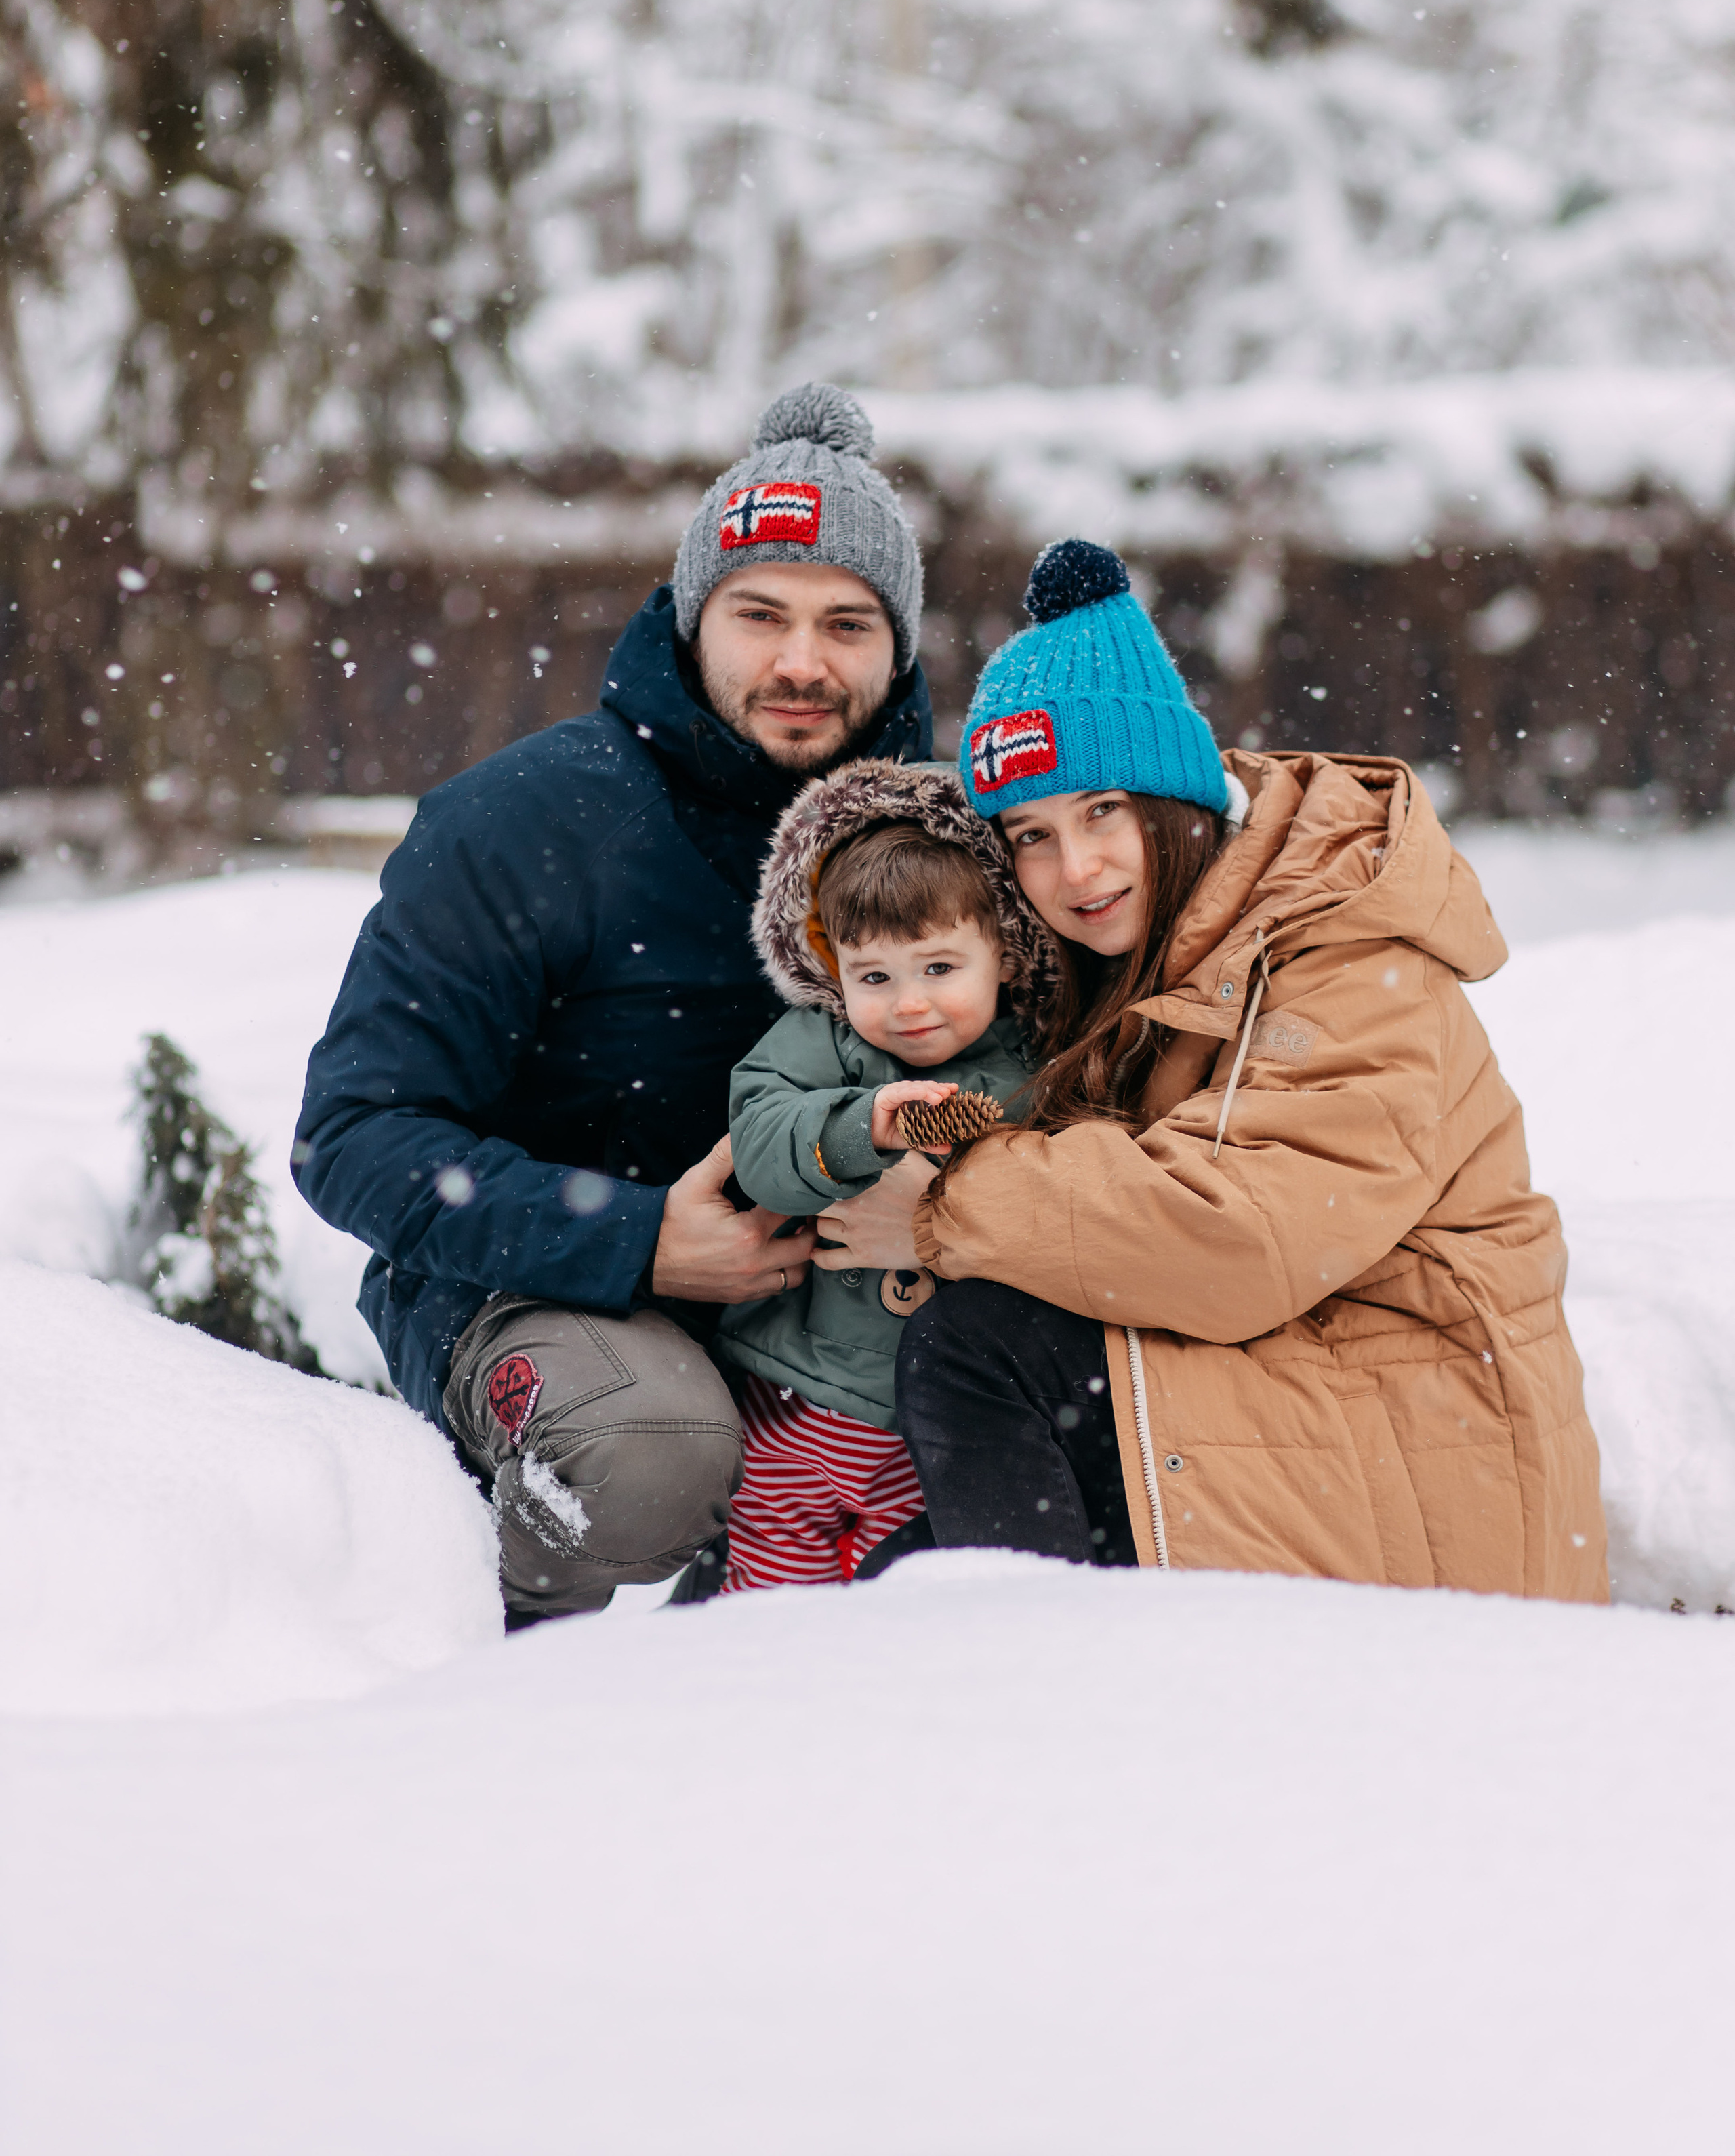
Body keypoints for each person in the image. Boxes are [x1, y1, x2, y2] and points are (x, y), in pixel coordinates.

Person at [817, 537, 1609, 1602]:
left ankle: (1030, 1687)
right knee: (891, 1584)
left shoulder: (1343, 951)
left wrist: (943, 1208)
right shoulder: (1150, 952)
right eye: (1032, 835)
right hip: (1296, 1384)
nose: (1076, 869)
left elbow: (1241, 1235)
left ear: (1177, 797)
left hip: (1423, 1435)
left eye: (1104, 812)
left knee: (976, 1347)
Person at [293, 383, 931, 1621]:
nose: (803, 662)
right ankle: (500, 1663)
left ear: (899, 645)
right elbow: (355, 1133)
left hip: (842, 1299)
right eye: (761, 615)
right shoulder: (527, 823)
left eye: (848, 624)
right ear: (694, 620)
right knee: (656, 1454)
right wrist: (635, 1238)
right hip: (536, 1286)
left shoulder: (934, 845)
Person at [713, 765, 1052, 1590]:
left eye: (939, 968)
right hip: (794, 1399)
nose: (907, 1004)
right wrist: (859, 1128)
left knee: (893, 1610)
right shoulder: (817, 1042)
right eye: (875, 977)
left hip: (926, 1428)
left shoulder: (1040, 1072)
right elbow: (760, 1148)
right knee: (769, 1609)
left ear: (1004, 956)